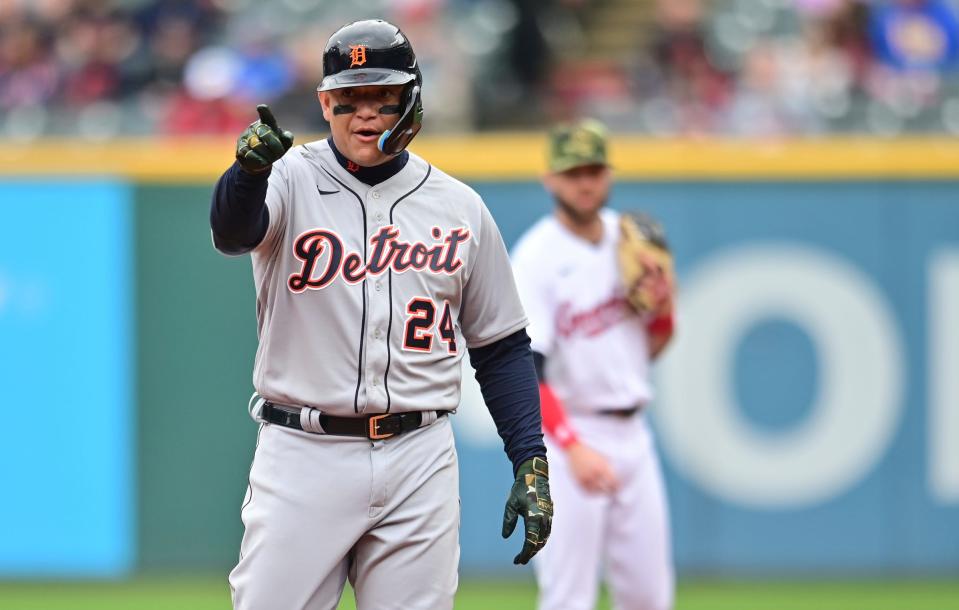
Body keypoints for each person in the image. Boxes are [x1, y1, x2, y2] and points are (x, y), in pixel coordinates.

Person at [209, 19, 552, 610]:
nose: (364, 113)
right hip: (304, 452)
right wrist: (247, 172)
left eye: (381, 96)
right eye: (348, 98)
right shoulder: (288, 177)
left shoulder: (458, 205)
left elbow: (500, 346)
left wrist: (530, 457)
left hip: (418, 456)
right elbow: (232, 232)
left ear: (411, 99)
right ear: (324, 102)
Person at [510, 119, 676, 610]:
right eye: (573, 171)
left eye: (594, 170)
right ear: (551, 179)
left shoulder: (631, 240)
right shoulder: (537, 257)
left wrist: (664, 308)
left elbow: (657, 344)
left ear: (608, 175)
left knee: (649, 598)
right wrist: (572, 447)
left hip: (634, 435)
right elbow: (527, 372)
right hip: (567, 436)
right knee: (568, 598)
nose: (585, 182)